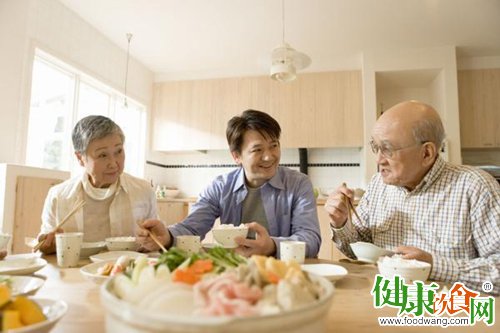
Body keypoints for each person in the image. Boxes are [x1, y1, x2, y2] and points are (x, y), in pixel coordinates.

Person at [325, 100, 500, 294]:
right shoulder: (378, 185)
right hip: (385, 300)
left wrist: (434, 266)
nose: (379, 160)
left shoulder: (475, 187)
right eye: (376, 147)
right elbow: (357, 249)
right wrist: (341, 223)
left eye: (388, 149)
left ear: (426, 153)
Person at [137, 110, 321, 258]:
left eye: (274, 145)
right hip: (234, 271)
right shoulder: (220, 187)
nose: (269, 156)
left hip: (283, 273)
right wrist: (167, 236)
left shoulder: (298, 184)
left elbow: (310, 239)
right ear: (236, 156)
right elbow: (192, 228)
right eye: (257, 149)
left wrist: (272, 246)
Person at [37, 115, 157, 254]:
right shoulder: (59, 196)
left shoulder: (143, 190)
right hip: (76, 273)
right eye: (102, 155)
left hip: (128, 272)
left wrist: (152, 242)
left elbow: (155, 244)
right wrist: (48, 245)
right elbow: (45, 242)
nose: (113, 163)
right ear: (80, 158)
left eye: (118, 151)